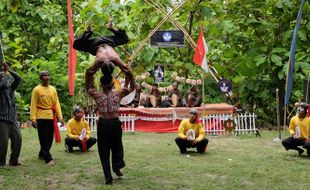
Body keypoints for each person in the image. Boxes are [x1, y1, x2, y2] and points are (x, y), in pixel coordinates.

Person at [85, 57, 135, 184]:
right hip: (113, 123)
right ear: (113, 84)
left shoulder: (97, 94)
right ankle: (114, 170)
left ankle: (111, 173)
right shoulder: (118, 93)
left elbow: (88, 85)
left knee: (105, 150)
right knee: (116, 147)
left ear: (101, 85)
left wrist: (89, 72)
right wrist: (129, 73)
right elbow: (132, 86)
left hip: (104, 124)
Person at [30, 71, 64, 166]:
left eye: (48, 75)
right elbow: (33, 105)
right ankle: (48, 159)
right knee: (43, 138)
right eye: (44, 76)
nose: (46, 77)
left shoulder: (53, 89)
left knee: (49, 138)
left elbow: (56, 103)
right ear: (40, 78)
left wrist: (60, 117)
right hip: (40, 117)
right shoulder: (36, 90)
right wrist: (33, 119)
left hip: (51, 116)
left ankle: (42, 153)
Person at [0, 63, 22, 167]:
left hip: (12, 118)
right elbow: (3, 84)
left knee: (18, 138)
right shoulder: (1, 88)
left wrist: (9, 71)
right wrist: (3, 75)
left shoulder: (10, 89)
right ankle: (1, 162)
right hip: (2, 119)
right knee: (3, 142)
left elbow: (18, 78)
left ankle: (14, 161)